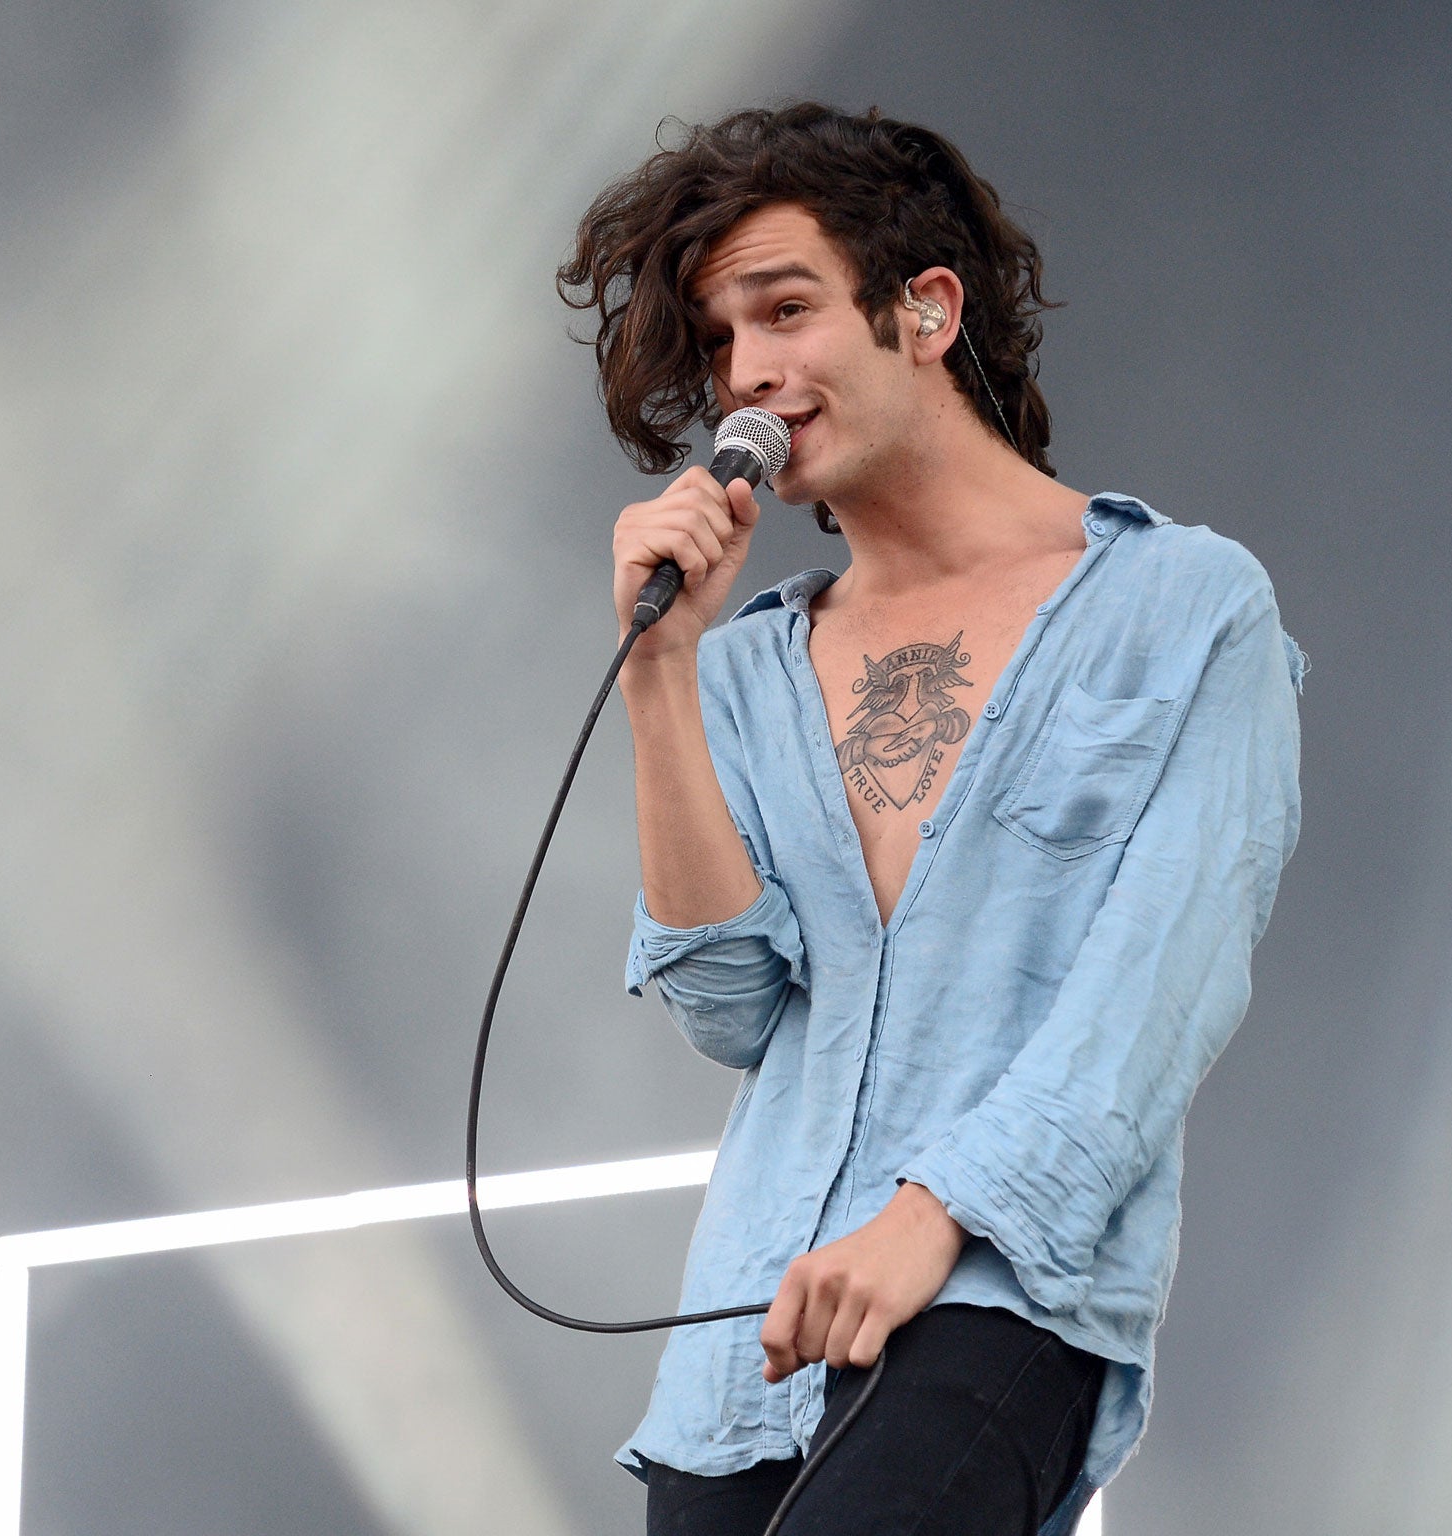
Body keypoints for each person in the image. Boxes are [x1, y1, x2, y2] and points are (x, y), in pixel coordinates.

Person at [559, 103, 1305, 1536]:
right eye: (721, 340)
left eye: (785, 309)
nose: (751, 375)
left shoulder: (1184, 608)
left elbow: (1163, 984)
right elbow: (729, 1002)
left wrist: (934, 1214)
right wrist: (659, 672)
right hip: (744, 1339)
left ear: (926, 309)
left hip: (997, 1286)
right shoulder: (749, 667)